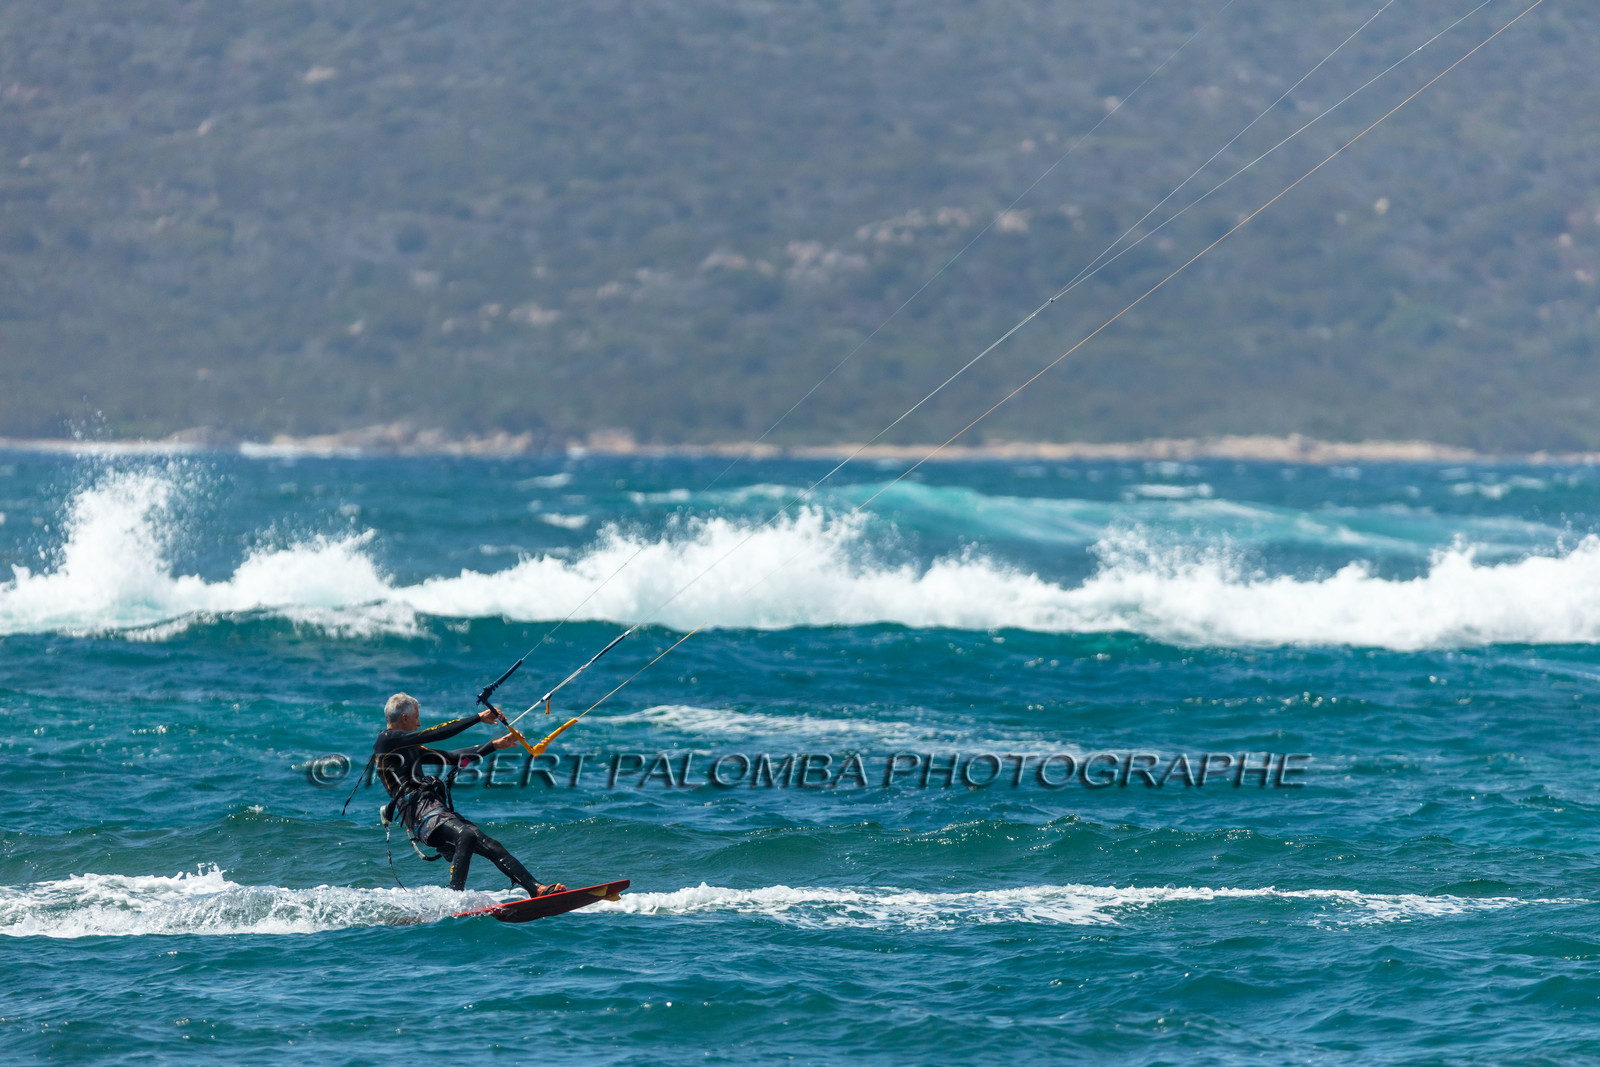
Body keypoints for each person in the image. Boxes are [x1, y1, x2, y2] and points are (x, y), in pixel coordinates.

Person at [373, 692, 565, 897]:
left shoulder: (408, 747)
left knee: (489, 844)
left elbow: (453, 757)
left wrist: (495, 745)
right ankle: (454, 897)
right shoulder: (386, 741)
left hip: (433, 808)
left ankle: (536, 889)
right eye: (416, 717)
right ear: (404, 718)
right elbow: (435, 733)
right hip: (418, 814)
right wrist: (478, 718)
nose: (419, 723)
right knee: (465, 834)